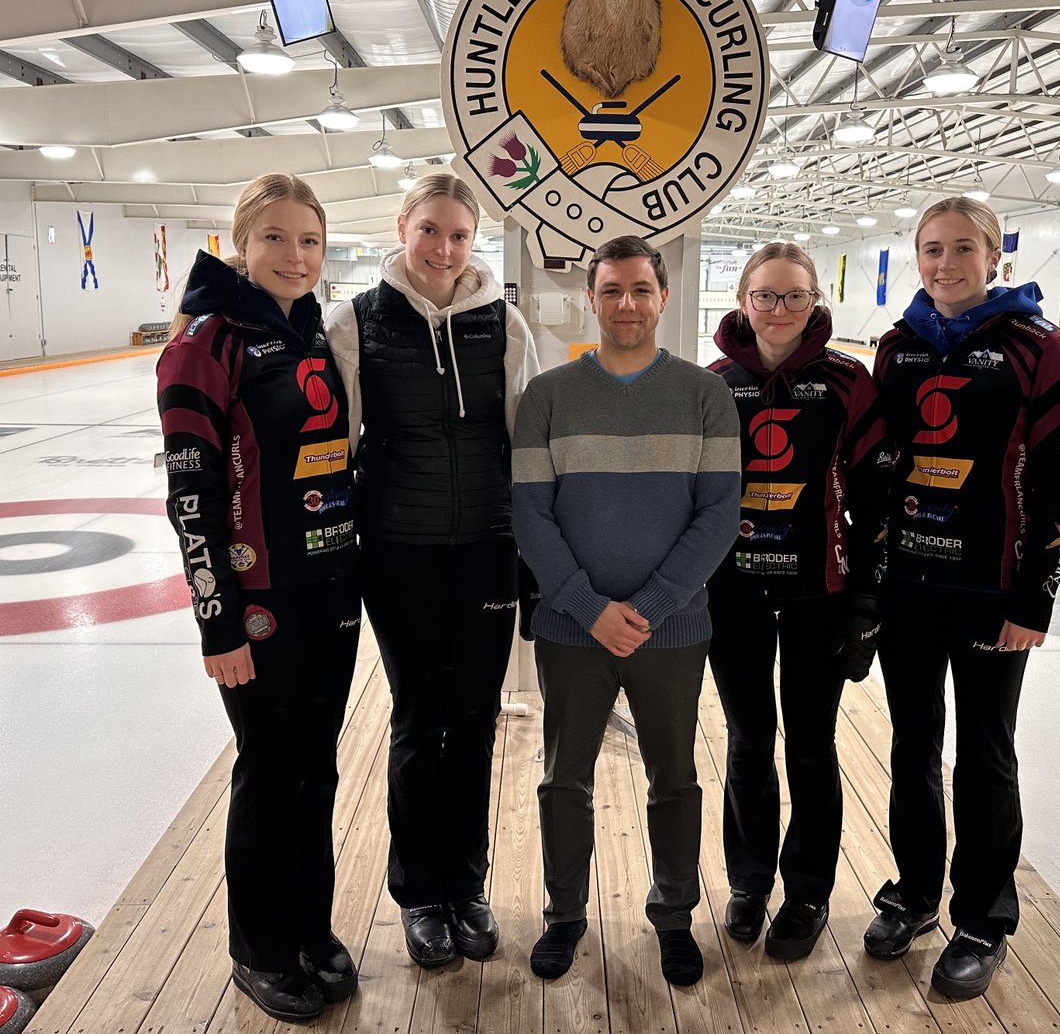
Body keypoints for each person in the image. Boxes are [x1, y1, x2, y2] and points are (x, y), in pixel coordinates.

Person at [863, 197, 1060, 1000]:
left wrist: (1035, 600)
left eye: (962, 248)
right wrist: (872, 580)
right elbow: (878, 475)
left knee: (986, 755)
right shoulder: (898, 348)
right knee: (912, 745)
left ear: (994, 257)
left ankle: (983, 919)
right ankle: (917, 893)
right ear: (916, 259)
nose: (945, 263)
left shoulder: (1037, 345)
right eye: (931, 249)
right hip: (911, 588)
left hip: (993, 594)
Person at [157, 174, 361, 1023]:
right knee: (271, 772)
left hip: (329, 587)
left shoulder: (309, 331)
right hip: (260, 602)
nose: (294, 255)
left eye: (308, 240)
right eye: (275, 238)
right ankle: (260, 949)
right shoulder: (206, 341)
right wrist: (220, 623)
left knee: (317, 770)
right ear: (240, 243)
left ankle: (309, 930)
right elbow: (192, 497)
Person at [512, 235, 741, 987]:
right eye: (611, 291)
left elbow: (717, 516)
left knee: (674, 778)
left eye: (641, 290)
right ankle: (565, 915)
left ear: (664, 297)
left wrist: (645, 608)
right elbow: (530, 516)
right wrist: (585, 606)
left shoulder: (705, 396)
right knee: (562, 781)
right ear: (593, 298)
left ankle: (673, 915)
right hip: (570, 631)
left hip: (670, 632)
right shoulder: (547, 397)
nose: (627, 305)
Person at [326, 174, 538, 968]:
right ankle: (421, 894)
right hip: (398, 548)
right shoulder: (357, 322)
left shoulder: (505, 322)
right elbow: (336, 444)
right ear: (403, 228)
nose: (444, 250)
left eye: (459, 235)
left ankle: (467, 885)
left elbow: (524, 441)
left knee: (476, 719)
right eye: (430, 231)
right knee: (421, 721)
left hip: (487, 544)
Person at [705, 241, 892, 959]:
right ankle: (749, 882)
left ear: (815, 300)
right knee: (750, 743)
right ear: (743, 302)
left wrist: (869, 598)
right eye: (765, 296)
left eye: (793, 296)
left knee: (811, 747)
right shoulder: (715, 383)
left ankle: (808, 891)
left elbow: (876, 494)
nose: (779, 310)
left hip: (822, 592)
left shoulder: (849, 381)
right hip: (737, 593)